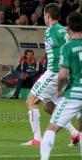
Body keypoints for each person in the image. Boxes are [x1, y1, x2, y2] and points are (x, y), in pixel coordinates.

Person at [22, 3, 79, 146]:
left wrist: (61, 71)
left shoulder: (50, 31)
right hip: (62, 74)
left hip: (54, 73)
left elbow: (59, 52)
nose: (43, 18)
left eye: (44, 15)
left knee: (31, 101)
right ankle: (75, 134)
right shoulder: (63, 30)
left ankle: (37, 139)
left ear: (48, 15)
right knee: (49, 107)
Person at [40, 12, 82, 160]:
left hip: (75, 94)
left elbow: (63, 75)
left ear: (69, 27)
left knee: (52, 128)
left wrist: (59, 90)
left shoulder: (68, 47)